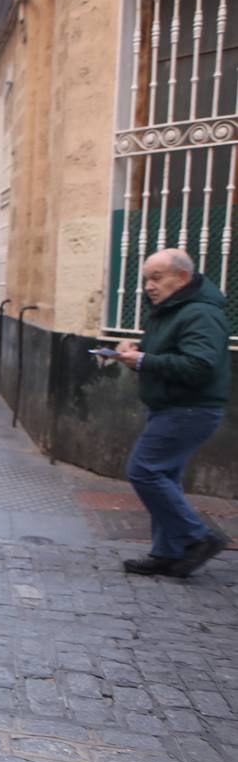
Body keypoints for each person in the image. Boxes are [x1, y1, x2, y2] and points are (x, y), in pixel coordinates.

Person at [107, 248, 230, 578]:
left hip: (189, 409)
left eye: (157, 278)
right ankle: (168, 553)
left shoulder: (201, 314)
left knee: (145, 471)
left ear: (183, 277)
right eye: (147, 278)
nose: (149, 286)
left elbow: (200, 366)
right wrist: (133, 353)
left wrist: (145, 361)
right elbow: (166, 356)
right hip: (173, 407)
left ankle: (197, 537)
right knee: (165, 478)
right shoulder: (171, 310)